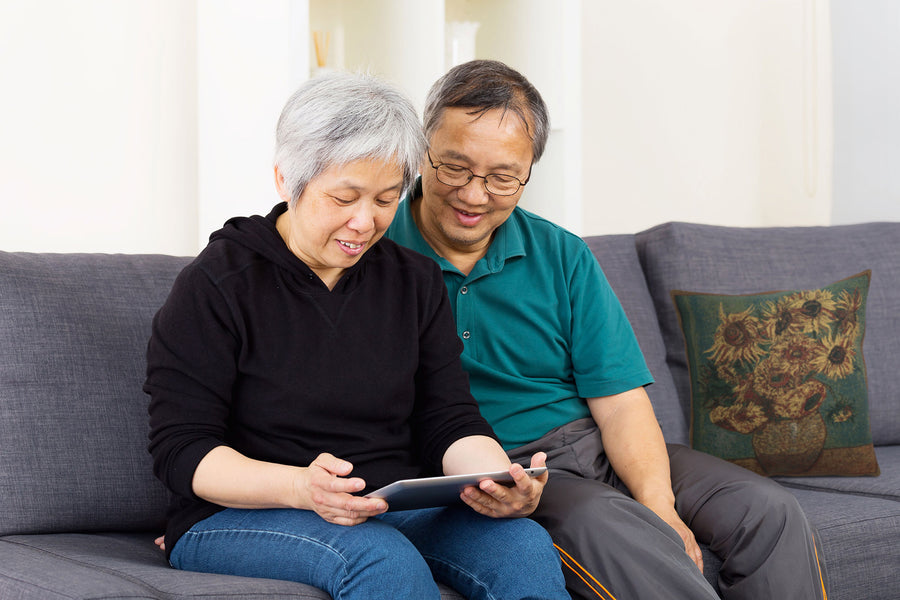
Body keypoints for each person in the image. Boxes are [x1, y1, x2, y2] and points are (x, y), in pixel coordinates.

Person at [386, 59, 829, 600]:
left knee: (769, 511)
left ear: (528, 172)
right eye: (454, 168)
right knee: (610, 525)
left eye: (502, 177)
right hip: (510, 469)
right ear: (421, 152)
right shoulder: (376, 258)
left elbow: (618, 402)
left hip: (594, 442)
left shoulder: (562, 255)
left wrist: (660, 504)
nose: (475, 195)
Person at [144, 71, 570, 600]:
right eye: (344, 198)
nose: (365, 223)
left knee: (521, 545)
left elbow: (448, 418)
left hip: (387, 504)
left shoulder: (413, 280)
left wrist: (498, 480)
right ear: (286, 180)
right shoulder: (218, 283)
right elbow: (182, 450)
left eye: (387, 199)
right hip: (238, 514)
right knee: (379, 558)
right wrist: (301, 487)